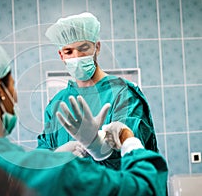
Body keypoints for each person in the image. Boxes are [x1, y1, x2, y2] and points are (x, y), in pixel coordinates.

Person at [0, 32, 167, 195]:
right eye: (11, 80)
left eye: (83, 48)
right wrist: (129, 140)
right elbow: (146, 188)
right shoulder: (50, 173)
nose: (76, 56)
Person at [37, 12, 158, 169]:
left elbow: (134, 157)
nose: (77, 56)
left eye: (83, 48)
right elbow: (42, 158)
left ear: (97, 47)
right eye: (69, 51)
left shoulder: (123, 94)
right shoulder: (57, 104)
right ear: (61, 55)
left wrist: (98, 147)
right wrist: (57, 157)